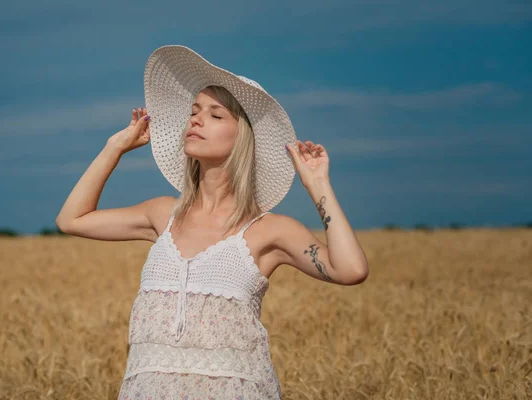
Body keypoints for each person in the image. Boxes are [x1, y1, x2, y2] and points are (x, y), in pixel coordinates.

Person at [56, 45, 369, 399]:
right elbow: (72, 219)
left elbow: (351, 270)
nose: (196, 120)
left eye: (215, 115)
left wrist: (319, 186)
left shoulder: (269, 231)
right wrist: (114, 148)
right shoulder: (162, 216)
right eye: (194, 111)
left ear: (243, 138)